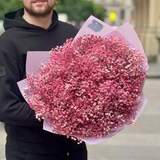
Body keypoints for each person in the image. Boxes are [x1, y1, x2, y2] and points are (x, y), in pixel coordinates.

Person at [0, 0, 88, 159]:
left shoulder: (72, 34)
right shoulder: (7, 43)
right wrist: (57, 114)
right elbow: (5, 107)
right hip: (28, 152)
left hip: (74, 150)